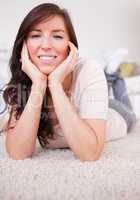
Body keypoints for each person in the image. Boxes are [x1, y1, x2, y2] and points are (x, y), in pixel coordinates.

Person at [2, 3, 132, 162]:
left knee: (124, 103)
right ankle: (110, 74)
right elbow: (17, 153)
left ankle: (114, 75)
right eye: (36, 35)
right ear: (24, 45)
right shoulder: (24, 78)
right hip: (88, 97)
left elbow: (90, 153)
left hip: (117, 112)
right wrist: (39, 84)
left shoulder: (89, 69)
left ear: (70, 46)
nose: (46, 46)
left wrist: (55, 85)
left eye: (57, 36)